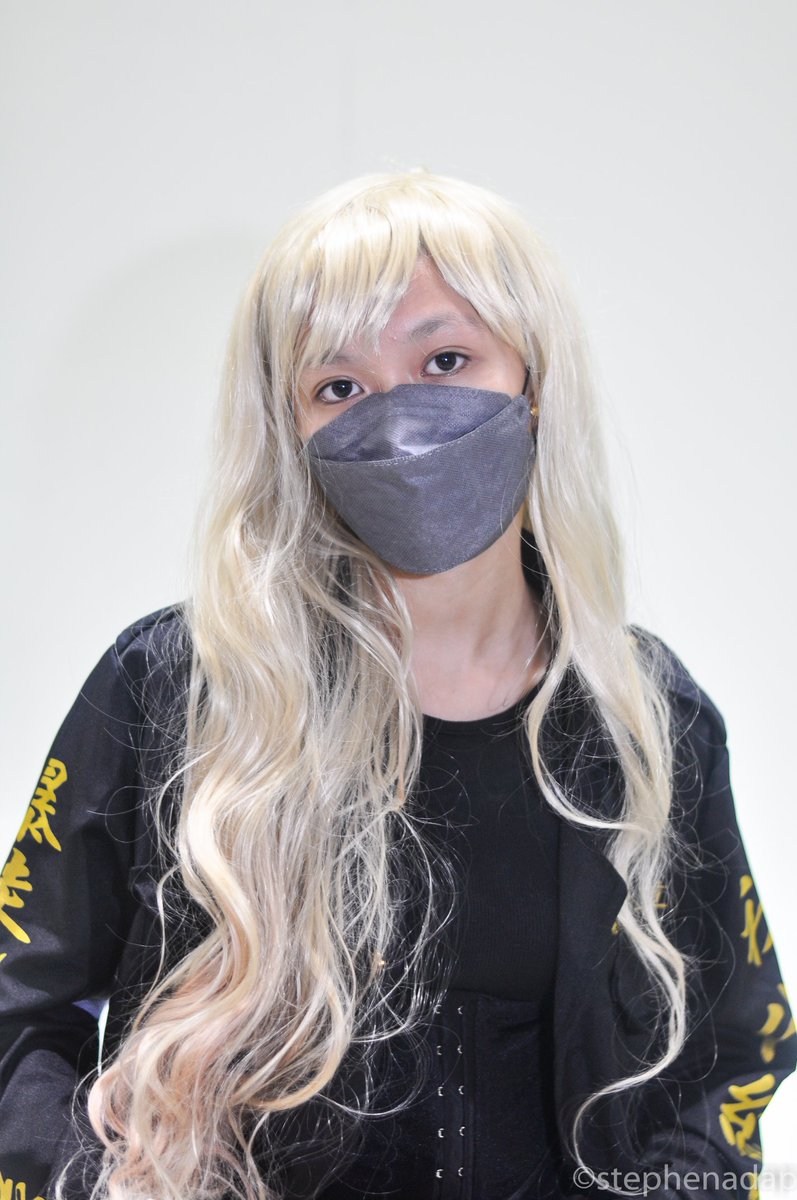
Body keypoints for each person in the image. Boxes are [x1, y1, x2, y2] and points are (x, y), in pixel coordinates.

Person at [0, 171, 794, 1200]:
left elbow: (730, 1055)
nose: (399, 421)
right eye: (338, 386)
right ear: (288, 428)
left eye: (444, 360)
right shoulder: (169, 691)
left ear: (534, 382)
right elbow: (19, 1019)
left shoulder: (645, 721)